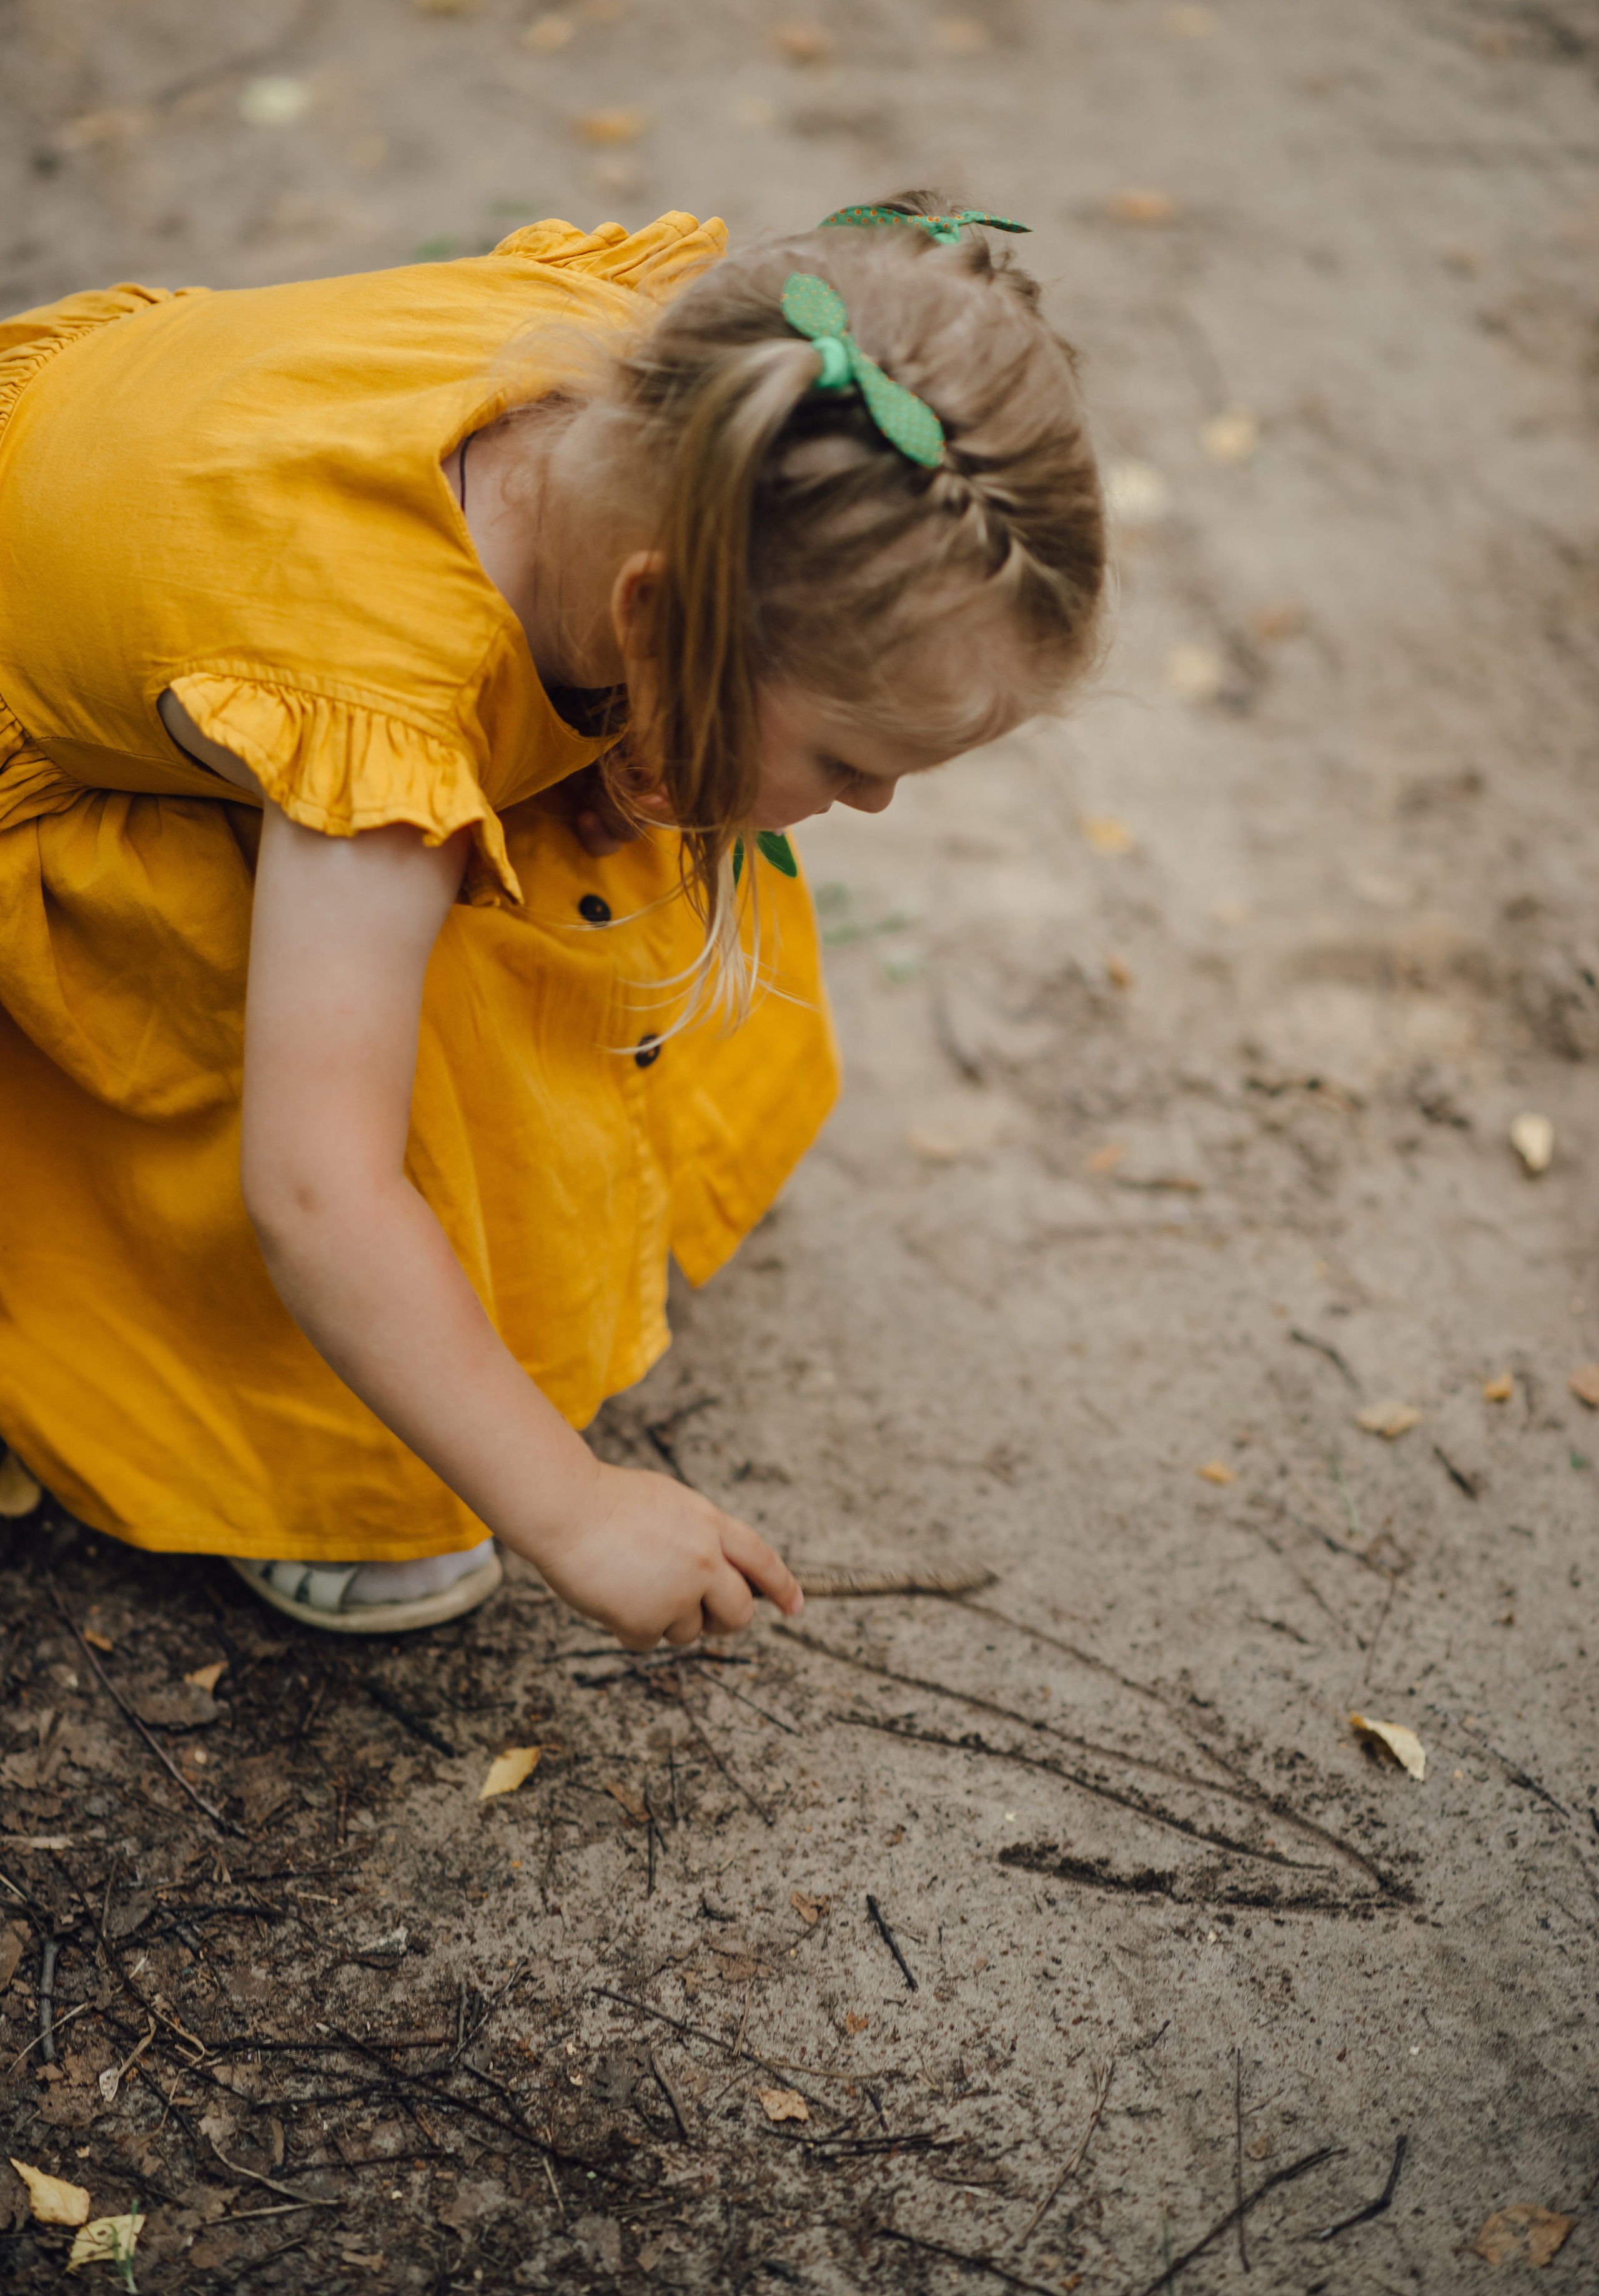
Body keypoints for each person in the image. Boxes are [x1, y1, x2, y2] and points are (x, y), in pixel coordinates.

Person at [0, 194, 1106, 1649]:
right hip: (81, 738)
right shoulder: (380, 709)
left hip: (176, 532)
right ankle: (316, 1466)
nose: (877, 804)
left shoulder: (675, 404)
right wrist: (568, 1505)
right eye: (850, 762)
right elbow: (317, 1193)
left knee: (623, 829)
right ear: (653, 618)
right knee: (391, 1032)